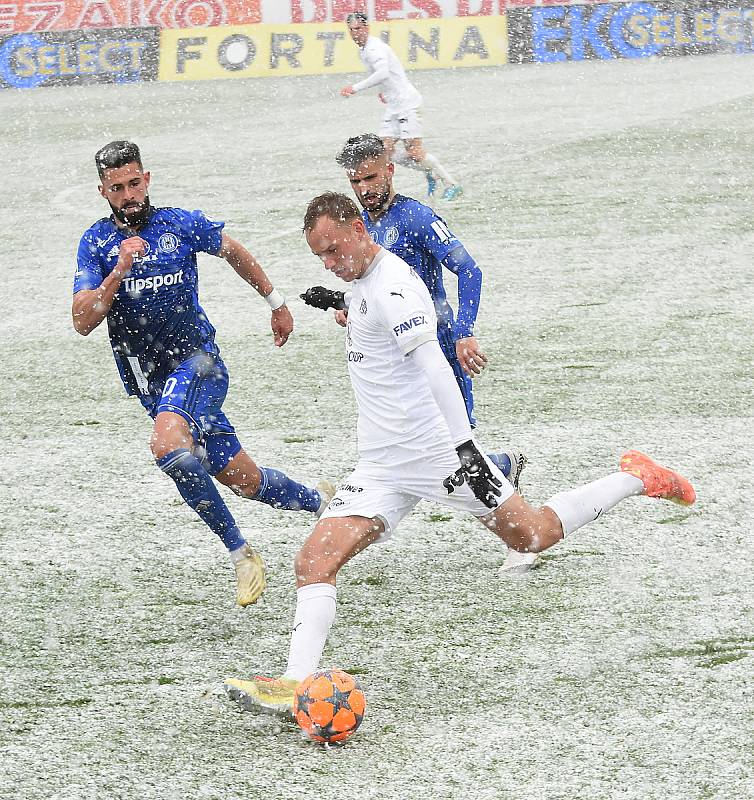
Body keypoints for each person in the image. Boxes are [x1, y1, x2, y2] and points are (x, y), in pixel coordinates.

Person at [224, 193, 696, 714]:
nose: (332, 264)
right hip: (381, 465)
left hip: (438, 456)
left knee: (533, 535)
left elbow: (435, 367)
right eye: (321, 258)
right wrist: (340, 303)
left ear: (359, 228)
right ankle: (294, 683)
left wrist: (466, 448)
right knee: (315, 560)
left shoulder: (396, 286)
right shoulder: (361, 282)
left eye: (335, 250)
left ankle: (637, 477)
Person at [72, 140, 333, 608]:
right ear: (103, 192)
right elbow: (82, 320)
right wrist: (118, 272)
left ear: (146, 180)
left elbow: (232, 250)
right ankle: (323, 502)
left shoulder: (179, 224)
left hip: (198, 363)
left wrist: (276, 303)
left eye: (135, 183)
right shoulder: (96, 244)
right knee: (243, 479)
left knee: (167, 443)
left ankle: (240, 554)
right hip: (152, 381)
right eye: (118, 188)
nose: (129, 194)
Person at [302, 133, 535, 571]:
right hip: (396, 360)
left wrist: (464, 331)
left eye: (371, 177)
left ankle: (522, 536)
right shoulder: (356, 226)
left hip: (435, 351)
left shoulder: (415, 217)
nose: (365, 188)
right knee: (446, 456)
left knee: (458, 449)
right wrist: (343, 304)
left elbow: (469, 268)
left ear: (390, 169)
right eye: (356, 181)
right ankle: (506, 477)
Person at [340, 11, 462, 201]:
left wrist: (354, 88)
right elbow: (386, 75)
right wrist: (383, 92)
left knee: (415, 152)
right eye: (351, 30)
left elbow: (382, 73)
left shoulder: (374, 48)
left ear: (366, 28)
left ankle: (451, 184)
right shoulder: (364, 50)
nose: (355, 33)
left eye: (358, 28)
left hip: (407, 104)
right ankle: (428, 171)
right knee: (383, 151)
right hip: (394, 105)